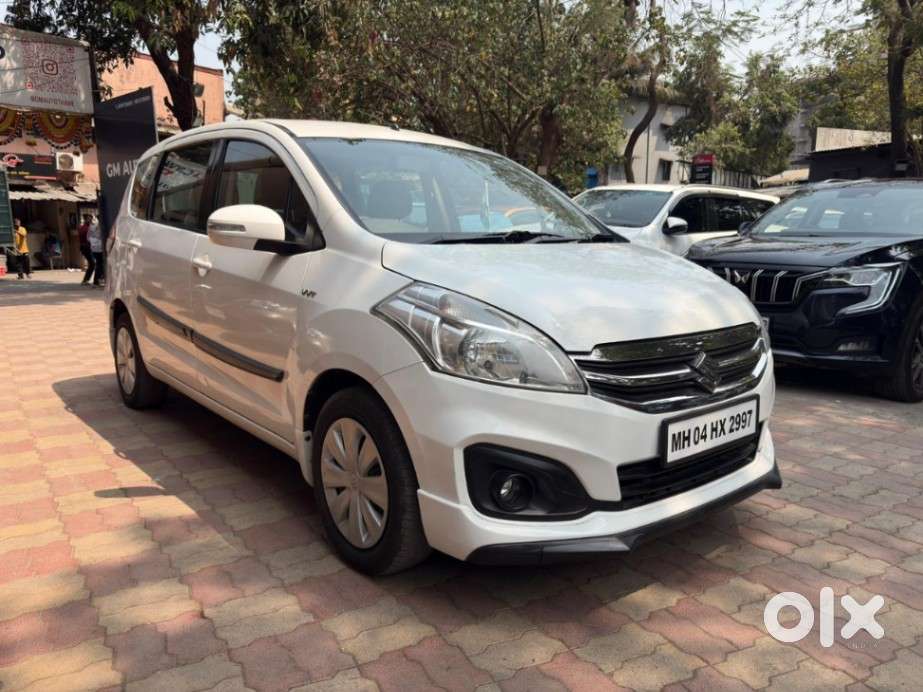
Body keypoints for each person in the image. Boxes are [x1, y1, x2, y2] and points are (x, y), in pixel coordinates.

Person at [78, 214, 96, 285]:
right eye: (89, 219)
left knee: (93, 263)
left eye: (91, 219)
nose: (91, 220)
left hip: (86, 248)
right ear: (85, 219)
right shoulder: (86, 228)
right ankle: (85, 280)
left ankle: (86, 280)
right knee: (92, 263)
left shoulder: (84, 227)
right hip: (86, 248)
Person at [87, 215, 104, 287]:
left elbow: (88, 238)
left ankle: (98, 280)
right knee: (100, 264)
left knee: (99, 264)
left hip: (94, 248)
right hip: (100, 248)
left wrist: (93, 243)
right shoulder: (102, 227)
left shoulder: (91, 227)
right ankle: (97, 281)